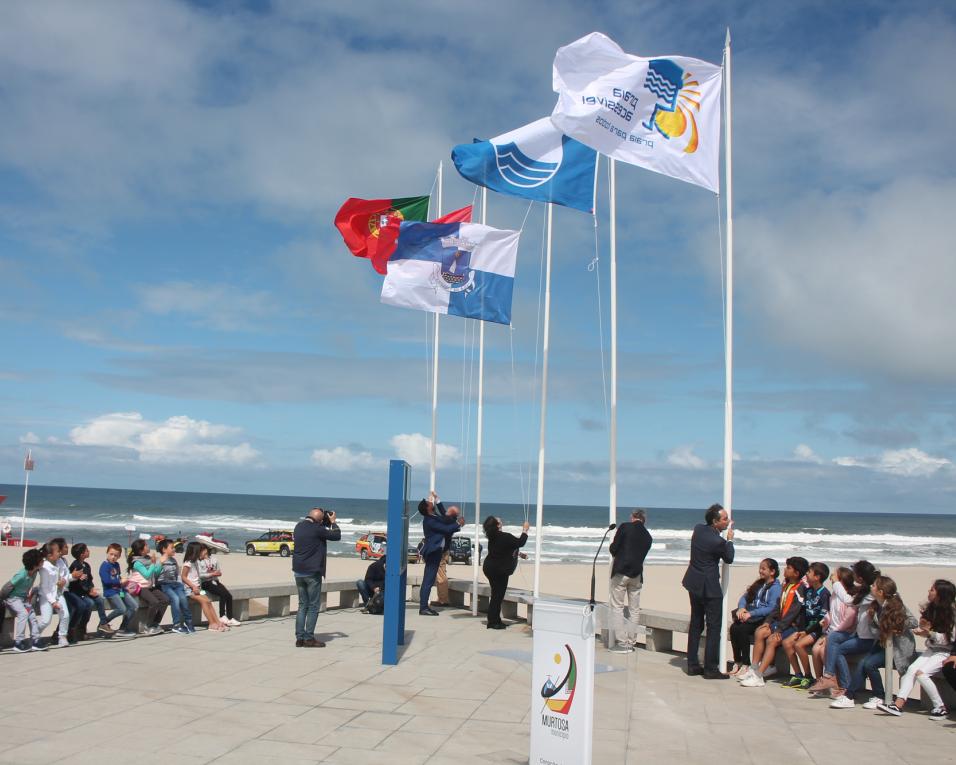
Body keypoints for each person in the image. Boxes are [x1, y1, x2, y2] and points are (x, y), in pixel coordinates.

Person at [829, 575, 917, 709]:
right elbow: (876, 631)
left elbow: (913, 622)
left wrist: (897, 627)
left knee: (869, 664)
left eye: (874, 586)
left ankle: (863, 696)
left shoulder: (897, 605)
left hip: (898, 649)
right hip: (883, 644)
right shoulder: (875, 606)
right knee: (864, 663)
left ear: (881, 592)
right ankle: (856, 696)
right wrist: (877, 625)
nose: (871, 587)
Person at [878, 578, 955, 719]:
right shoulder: (932, 609)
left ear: (940, 594)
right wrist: (923, 630)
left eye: (932, 590)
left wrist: (929, 633)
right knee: (911, 670)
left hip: (945, 652)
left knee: (922, 673)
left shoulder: (952, 613)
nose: (928, 591)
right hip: (932, 650)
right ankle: (898, 704)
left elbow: (950, 640)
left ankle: (940, 707)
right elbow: (927, 630)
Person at [810, 560, 879, 696]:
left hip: (868, 638)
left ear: (860, 578)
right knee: (834, 640)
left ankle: (835, 681)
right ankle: (831, 678)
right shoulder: (864, 590)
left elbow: (849, 601)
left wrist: (835, 582)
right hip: (859, 635)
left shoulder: (870, 593)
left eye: (855, 573)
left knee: (833, 642)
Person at [681, 503, 735, 678]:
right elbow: (729, 558)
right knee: (714, 627)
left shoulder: (698, 529)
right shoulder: (718, 542)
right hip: (709, 588)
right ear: (715, 521)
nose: (728, 521)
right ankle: (711, 668)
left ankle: (692, 664)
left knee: (696, 624)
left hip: (693, 583)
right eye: (725, 519)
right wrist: (730, 540)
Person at [739, 556, 809, 687]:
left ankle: (759, 676)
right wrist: (768, 621)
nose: (785, 569)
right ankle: (754, 668)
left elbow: (792, 613)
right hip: (781, 623)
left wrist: (778, 629)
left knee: (772, 640)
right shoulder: (787, 585)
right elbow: (778, 607)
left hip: (793, 626)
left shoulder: (800, 589)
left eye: (788, 568)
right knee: (760, 632)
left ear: (796, 573)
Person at [292, 506, 341, 646]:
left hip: (298, 572)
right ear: (319, 520)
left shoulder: (299, 526)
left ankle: (299, 638)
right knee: (313, 606)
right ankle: (308, 638)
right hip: (312, 573)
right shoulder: (317, 529)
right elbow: (336, 536)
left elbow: (316, 533)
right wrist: (333, 522)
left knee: (302, 605)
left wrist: (323, 522)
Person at [607, 508, 653, 654]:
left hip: (621, 572)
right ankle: (631, 642)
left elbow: (614, 548)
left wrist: (614, 549)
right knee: (634, 609)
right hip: (637, 574)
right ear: (643, 520)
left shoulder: (625, 527)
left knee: (617, 607)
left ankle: (621, 642)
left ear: (633, 517)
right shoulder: (648, 536)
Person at [728, 558, 781, 676]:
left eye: (763, 569)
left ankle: (747, 664)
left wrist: (751, 614)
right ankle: (738, 661)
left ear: (772, 571)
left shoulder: (775, 588)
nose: (760, 571)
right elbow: (744, 598)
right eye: (760, 568)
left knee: (742, 630)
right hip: (750, 615)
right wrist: (742, 608)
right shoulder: (759, 584)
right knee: (733, 628)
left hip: (763, 619)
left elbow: (771, 608)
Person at [782, 561, 830, 688]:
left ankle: (808, 676)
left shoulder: (825, 594)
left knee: (799, 645)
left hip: (817, 630)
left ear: (817, 577)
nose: (806, 575)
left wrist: (807, 632)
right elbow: (803, 613)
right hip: (805, 629)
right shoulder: (808, 591)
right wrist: (802, 630)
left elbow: (822, 619)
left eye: (809, 572)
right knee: (787, 643)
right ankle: (798, 674)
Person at [418, 492, 464, 616]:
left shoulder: (433, 517)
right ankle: (423, 607)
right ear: (427, 509)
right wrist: (458, 524)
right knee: (428, 580)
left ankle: (424, 606)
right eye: (429, 503)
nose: (430, 502)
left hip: (437, 552)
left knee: (429, 579)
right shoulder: (429, 521)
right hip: (433, 552)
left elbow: (445, 517)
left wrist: (438, 501)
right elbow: (446, 529)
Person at [482, 516, 529, 629]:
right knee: (497, 596)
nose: (501, 521)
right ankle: (493, 622)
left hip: (490, 567)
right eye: (499, 521)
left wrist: (520, 554)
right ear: (497, 525)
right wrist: (525, 530)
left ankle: (495, 619)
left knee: (496, 595)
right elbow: (520, 542)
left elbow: (507, 549)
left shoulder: (492, 536)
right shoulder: (504, 536)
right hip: (499, 570)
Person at [67, 543, 115, 639]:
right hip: (77, 593)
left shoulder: (86, 565)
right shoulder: (75, 565)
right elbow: (76, 583)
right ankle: (80, 629)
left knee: (100, 600)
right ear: (82, 554)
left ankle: (103, 623)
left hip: (86, 592)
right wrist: (88, 591)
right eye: (86, 550)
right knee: (89, 604)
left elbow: (89, 580)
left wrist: (92, 588)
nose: (89, 551)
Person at [1, 548, 44, 652]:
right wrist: (3, 598)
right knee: (23, 614)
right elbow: (6, 587)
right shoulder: (21, 575)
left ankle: (35, 640)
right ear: (35, 564)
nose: (43, 561)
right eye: (41, 560)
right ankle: (18, 642)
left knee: (32, 615)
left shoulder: (34, 572)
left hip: (23, 599)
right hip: (13, 598)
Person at [182, 541, 228, 632]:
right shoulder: (188, 563)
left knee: (208, 600)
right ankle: (211, 623)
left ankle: (217, 622)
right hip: (189, 590)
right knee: (204, 601)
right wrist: (193, 587)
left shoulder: (196, 562)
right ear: (196, 552)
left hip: (198, 589)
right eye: (203, 551)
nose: (205, 553)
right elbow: (183, 577)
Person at [126, 538, 170, 635]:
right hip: (140, 587)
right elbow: (147, 574)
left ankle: (155, 623)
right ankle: (147, 625)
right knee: (154, 602)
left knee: (165, 599)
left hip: (149, 586)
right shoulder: (137, 562)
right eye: (146, 545)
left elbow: (155, 573)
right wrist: (154, 563)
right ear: (141, 550)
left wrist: (160, 564)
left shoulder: (148, 559)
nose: (148, 546)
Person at [99, 542, 139, 637]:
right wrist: (119, 581)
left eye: (116, 555)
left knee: (134, 606)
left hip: (120, 591)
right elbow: (107, 581)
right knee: (122, 609)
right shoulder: (104, 565)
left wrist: (123, 582)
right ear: (107, 553)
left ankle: (123, 628)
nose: (113, 557)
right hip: (110, 592)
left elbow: (117, 577)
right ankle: (103, 623)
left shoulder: (116, 565)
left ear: (119, 556)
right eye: (111, 554)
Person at [36, 541, 70, 648]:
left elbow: (67, 574)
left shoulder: (60, 562)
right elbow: (45, 588)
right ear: (50, 555)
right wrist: (53, 602)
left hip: (58, 594)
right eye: (58, 551)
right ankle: (35, 634)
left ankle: (62, 636)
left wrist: (64, 581)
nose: (60, 553)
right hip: (46, 597)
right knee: (46, 620)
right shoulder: (45, 567)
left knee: (65, 615)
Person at [156, 538, 193, 634]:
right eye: (172, 547)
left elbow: (177, 575)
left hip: (175, 584)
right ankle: (176, 625)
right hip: (164, 584)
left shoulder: (173, 560)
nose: (174, 549)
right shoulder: (159, 560)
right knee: (175, 599)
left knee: (183, 599)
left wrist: (182, 585)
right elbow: (155, 575)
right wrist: (160, 563)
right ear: (164, 549)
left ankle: (188, 622)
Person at [198, 544, 240, 626]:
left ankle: (230, 617)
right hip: (205, 583)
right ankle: (222, 616)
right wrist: (211, 574)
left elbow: (219, 571)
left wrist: (217, 573)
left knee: (229, 596)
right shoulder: (199, 560)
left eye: (202, 550)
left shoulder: (214, 559)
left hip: (215, 581)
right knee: (223, 594)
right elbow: (200, 575)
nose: (201, 552)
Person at [434, 502, 460, 608]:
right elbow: (443, 512)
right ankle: (441, 598)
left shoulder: (447, 520)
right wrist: (437, 501)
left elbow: (439, 516)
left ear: (450, 513)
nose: (446, 512)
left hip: (442, 551)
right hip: (444, 550)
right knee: (441, 573)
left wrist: (431, 510)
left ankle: (443, 599)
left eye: (448, 511)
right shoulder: (450, 519)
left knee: (440, 575)